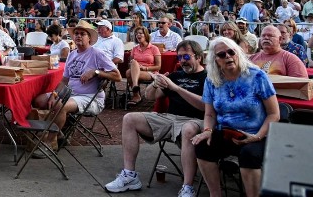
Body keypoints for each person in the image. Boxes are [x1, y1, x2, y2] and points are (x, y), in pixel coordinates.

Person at [105, 40, 207, 196]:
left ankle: (188, 187)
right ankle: (130, 175)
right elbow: (150, 97)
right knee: (129, 118)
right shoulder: (176, 75)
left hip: (195, 120)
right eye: (179, 58)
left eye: (186, 57)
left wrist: (177, 89)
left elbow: (205, 106)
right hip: (170, 118)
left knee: (188, 129)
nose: (182, 62)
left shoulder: (207, 77)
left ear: (198, 57)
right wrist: (155, 83)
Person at [192, 37, 279, 197]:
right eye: (222, 55)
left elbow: (274, 114)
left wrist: (257, 136)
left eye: (231, 52)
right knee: (202, 146)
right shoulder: (212, 80)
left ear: (238, 53)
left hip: (257, 134)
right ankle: (215, 194)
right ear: (215, 60)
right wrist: (207, 130)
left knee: (249, 154)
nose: (228, 57)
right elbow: (210, 113)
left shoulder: (257, 76)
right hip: (226, 133)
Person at [33, 20, 121, 149]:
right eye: (76, 33)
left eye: (82, 34)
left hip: (90, 97)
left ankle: (50, 143)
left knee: (60, 106)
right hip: (71, 93)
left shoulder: (97, 54)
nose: (78, 36)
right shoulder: (72, 54)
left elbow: (117, 76)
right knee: (38, 101)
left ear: (89, 38)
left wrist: (96, 72)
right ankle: (60, 133)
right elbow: (64, 80)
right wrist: (54, 93)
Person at [127, 26, 161, 104]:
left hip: (150, 72)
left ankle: (136, 94)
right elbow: (130, 64)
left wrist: (144, 68)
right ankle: (136, 87)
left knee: (129, 73)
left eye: (140, 33)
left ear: (146, 35)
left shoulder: (154, 48)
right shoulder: (134, 49)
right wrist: (136, 66)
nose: (138, 35)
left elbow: (159, 66)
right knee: (133, 63)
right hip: (136, 70)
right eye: (136, 34)